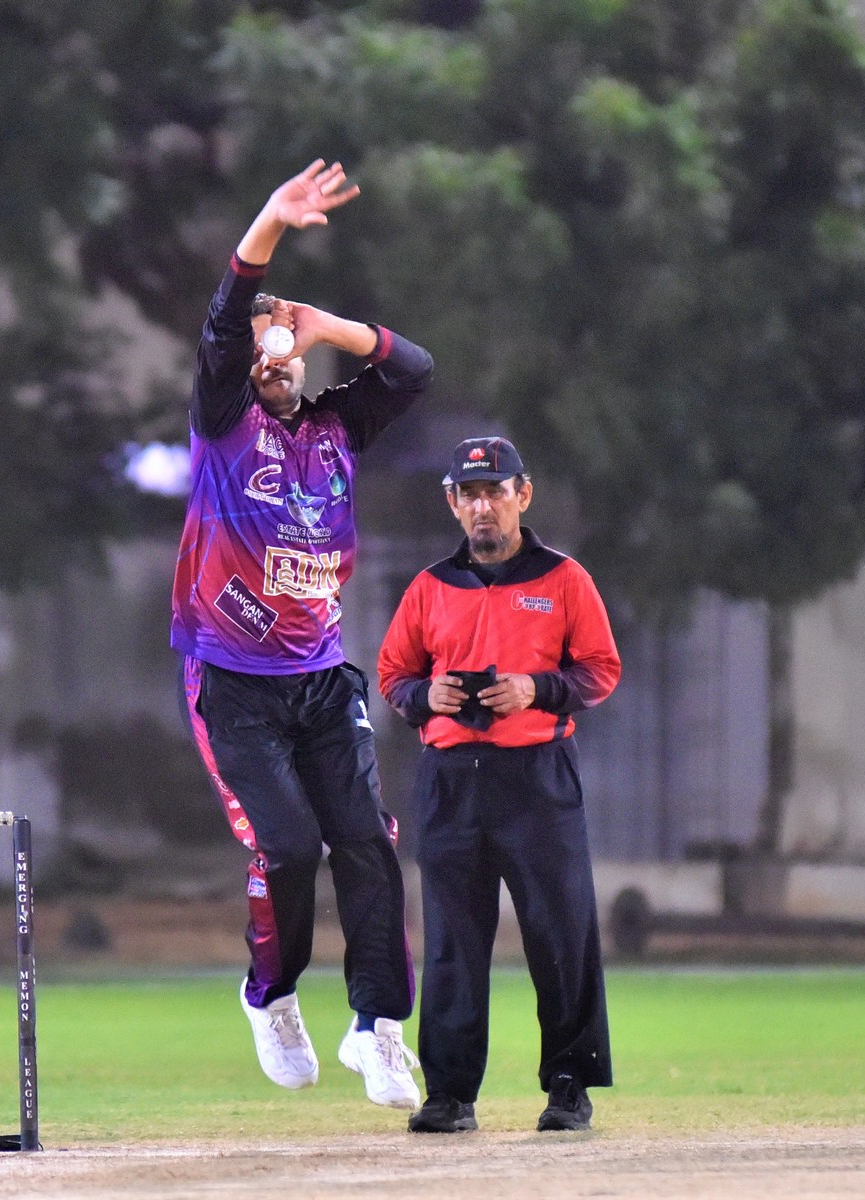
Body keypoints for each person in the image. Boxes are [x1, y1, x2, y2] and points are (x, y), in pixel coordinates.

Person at [173, 160, 433, 1110]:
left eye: (285, 350)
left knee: (365, 842)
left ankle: (377, 1029)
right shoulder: (222, 425)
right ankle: (270, 997)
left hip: (321, 680)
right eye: (260, 352)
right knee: (287, 848)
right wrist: (269, 226)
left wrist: (329, 326)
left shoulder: (333, 429)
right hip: (231, 680)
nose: (273, 361)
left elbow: (411, 370)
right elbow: (222, 319)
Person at [376, 435, 621, 1134]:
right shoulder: (430, 586)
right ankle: (450, 1095)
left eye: (495, 491)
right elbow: (393, 675)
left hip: (537, 778)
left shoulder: (563, 578)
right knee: (451, 942)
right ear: (452, 503)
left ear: (523, 495)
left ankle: (569, 1086)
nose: (483, 506)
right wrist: (427, 696)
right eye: (470, 494)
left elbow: (600, 670)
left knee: (560, 933)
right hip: (451, 781)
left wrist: (534, 689)